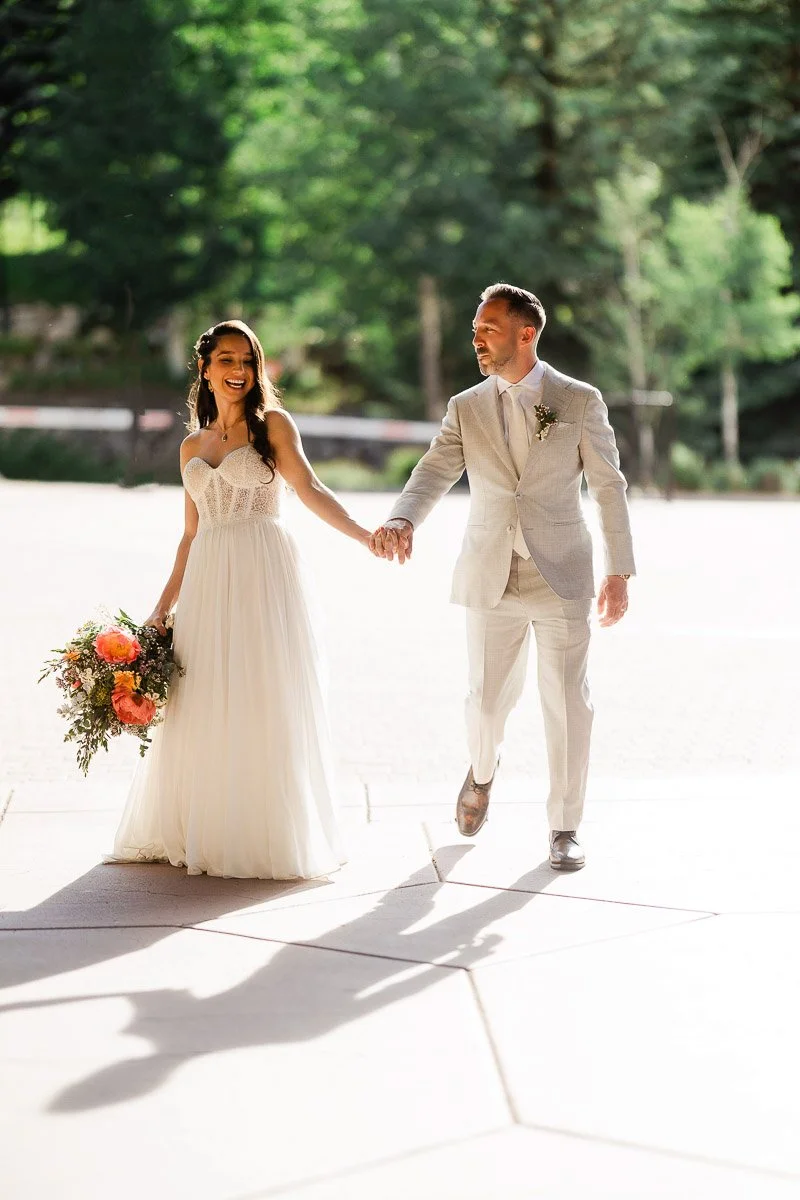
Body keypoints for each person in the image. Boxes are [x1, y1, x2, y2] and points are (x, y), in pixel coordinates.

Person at [370, 283, 635, 871]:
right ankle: (483, 770)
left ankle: (565, 827)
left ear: (526, 333)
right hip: (491, 573)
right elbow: (435, 467)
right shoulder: (466, 406)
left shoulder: (578, 400)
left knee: (567, 703)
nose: (478, 339)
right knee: (486, 703)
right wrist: (402, 517)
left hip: (561, 574)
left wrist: (618, 569)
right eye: (475, 330)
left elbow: (609, 485)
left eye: (489, 329)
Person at [108, 319, 372, 879]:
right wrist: (161, 608)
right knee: (203, 696)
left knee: (261, 690)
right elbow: (189, 535)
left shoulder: (272, 425)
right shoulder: (191, 445)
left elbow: (309, 489)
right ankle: (203, 824)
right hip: (208, 576)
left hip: (263, 571)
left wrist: (364, 535)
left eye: (248, 361)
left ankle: (262, 831)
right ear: (205, 368)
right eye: (227, 360)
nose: (239, 371)